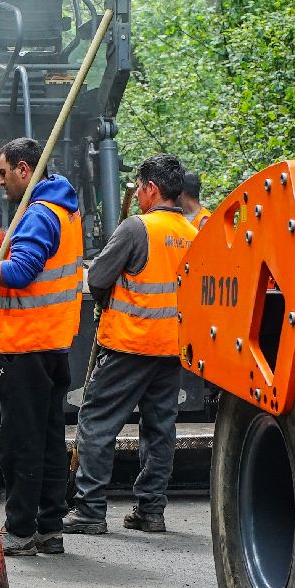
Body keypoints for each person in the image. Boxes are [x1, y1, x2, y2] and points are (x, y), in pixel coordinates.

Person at [0, 137, 82, 556]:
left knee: (20, 442)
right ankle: (49, 528)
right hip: (53, 341)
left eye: (3, 171)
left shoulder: (40, 214)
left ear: (25, 170)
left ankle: (21, 531)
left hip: (26, 344)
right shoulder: (59, 207)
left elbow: (21, 271)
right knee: (47, 439)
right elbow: (32, 249)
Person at [63, 153, 198, 536]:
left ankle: (90, 511)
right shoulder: (194, 234)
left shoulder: (136, 228)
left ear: (152, 189)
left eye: (139, 188)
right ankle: (150, 511)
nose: (137, 194)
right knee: (160, 430)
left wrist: (106, 295)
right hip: (172, 350)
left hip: (128, 345)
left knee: (97, 423)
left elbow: (98, 278)